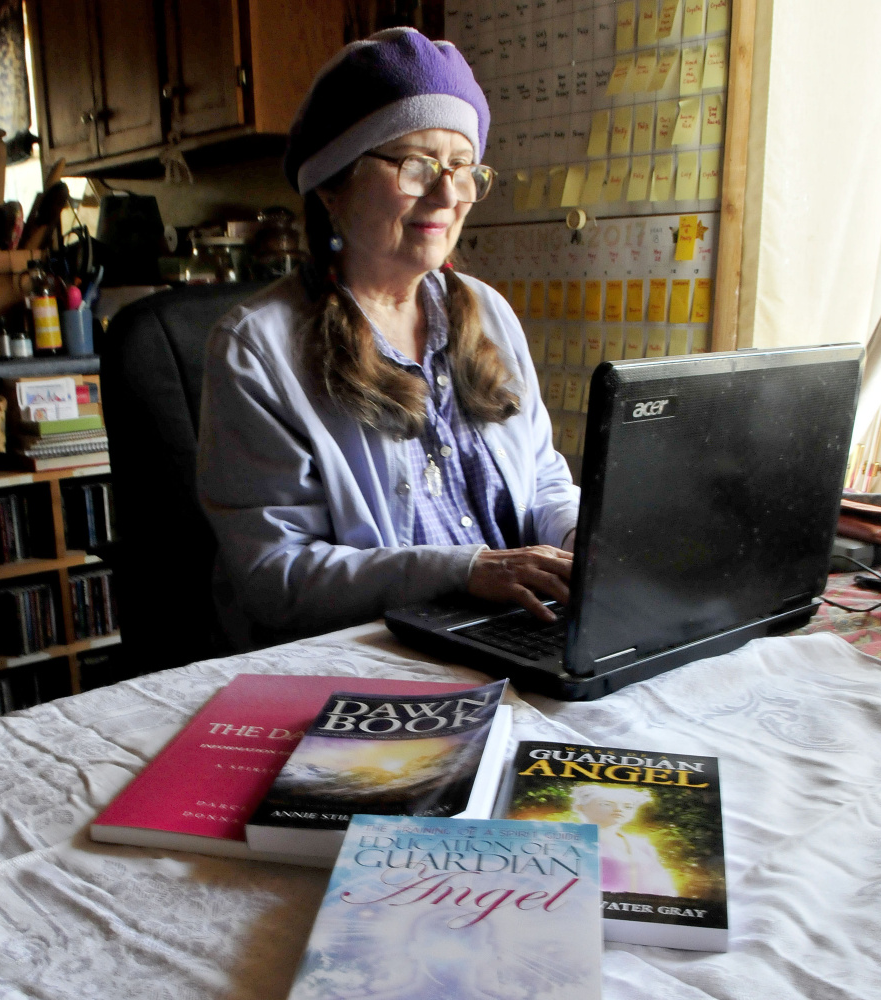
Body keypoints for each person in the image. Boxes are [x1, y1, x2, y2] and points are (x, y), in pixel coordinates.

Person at [196, 28, 580, 650]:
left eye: (461, 168)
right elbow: (274, 576)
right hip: (369, 656)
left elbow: (543, 484)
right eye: (417, 165)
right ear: (332, 185)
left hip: (511, 635)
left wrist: (580, 545)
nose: (448, 194)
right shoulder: (257, 349)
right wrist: (465, 571)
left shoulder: (488, 312)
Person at [570, 784, 678, 896]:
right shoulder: (571, 839)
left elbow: (660, 882)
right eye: (606, 804)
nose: (618, 809)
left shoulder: (640, 845)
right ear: (580, 807)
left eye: (627, 806)